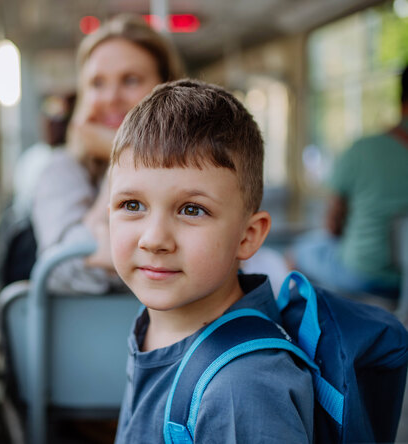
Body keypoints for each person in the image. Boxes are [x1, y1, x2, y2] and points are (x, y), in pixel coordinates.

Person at [108, 79, 314, 443]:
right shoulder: (158, 322)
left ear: (247, 236)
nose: (154, 239)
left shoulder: (242, 386)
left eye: (192, 209)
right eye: (132, 205)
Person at [31, 14, 184, 293]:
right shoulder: (61, 169)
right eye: (97, 83)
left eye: (130, 80)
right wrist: (121, 158)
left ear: (167, 89)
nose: (112, 97)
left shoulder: (197, 168)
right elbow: (64, 270)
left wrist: (106, 248)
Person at [292, 65, 408, 296]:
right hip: (403, 284)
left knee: (296, 254)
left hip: (364, 271)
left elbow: (332, 225)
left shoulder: (364, 149)